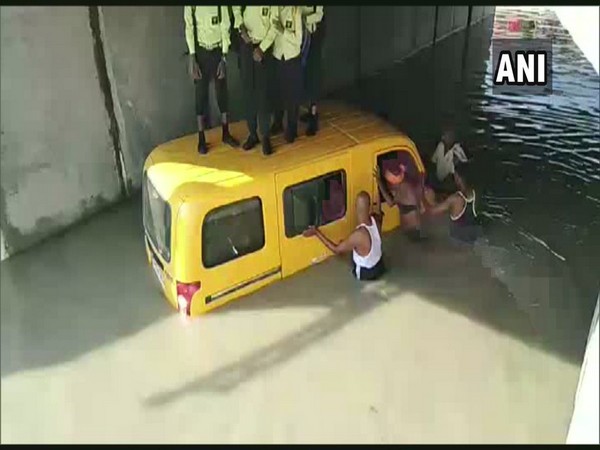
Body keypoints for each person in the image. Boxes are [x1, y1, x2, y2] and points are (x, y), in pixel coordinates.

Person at [184, 6, 240, 155]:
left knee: (222, 92)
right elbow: (189, 26)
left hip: (217, 51)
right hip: (201, 52)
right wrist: (192, 57)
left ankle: (226, 133)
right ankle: (201, 139)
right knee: (200, 95)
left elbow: (225, 26)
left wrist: (224, 57)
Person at [303, 191, 385, 281]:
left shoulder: (359, 235)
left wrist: (316, 233)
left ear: (356, 208)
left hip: (366, 273)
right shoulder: (376, 220)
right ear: (369, 206)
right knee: (349, 244)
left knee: (342, 249)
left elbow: (336, 250)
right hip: (379, 266)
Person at [232, 6, 279, 156]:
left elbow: (275, 24)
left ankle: (265, 136)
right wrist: (241, 27)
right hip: (246, 46)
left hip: (263, 49)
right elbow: (236, 9)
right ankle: (253, 134)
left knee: (263, 94)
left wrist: (263, 48)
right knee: (248, 92)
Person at [423, 161, 481, 244]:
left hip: (457, 242)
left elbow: (431, 211)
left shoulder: (455, 199)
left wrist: (426, 198)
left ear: (458, 178)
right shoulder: (475, 193)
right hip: (472, 239)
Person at [269, 6, 304, 144]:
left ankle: (292, 128)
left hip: (292, 58)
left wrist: (283, 31)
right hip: (277, 56)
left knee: (292, 95)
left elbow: (298, 40)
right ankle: (278, 123)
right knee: (278, 92)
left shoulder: (296, 11)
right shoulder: (274, 9)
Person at [373, 162, 426, 242]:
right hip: (416, 228)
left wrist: (379, 181)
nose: (389, 186)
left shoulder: (402, 188)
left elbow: (390, 203)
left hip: (411, 230)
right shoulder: (409, 185)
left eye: (389, 183)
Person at [300, 6, 325, 136]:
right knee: (304, 77)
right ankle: (309, 110)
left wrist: (304, 19)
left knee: (313, 76)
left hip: (313, 38)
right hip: (300, 38)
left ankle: (313, 118)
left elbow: (320, 14)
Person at [429, 125, 468, 194]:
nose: (443, 137)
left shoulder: (457, 149)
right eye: (443, 135)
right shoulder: (440, 146)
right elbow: (433, 162)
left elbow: (461, 168)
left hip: (450, 186)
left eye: (446, 135)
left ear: (452, 137)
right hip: (437, 182)